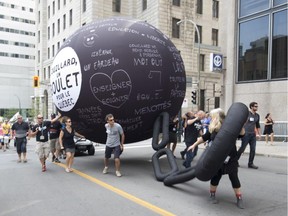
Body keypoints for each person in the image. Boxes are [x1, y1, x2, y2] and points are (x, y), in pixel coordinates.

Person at [188, 108, 245, 209]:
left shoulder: (230, 127)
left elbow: (242, 134)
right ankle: (212, 195)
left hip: (230, 157)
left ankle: (239, 198)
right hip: (217, 158)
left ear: (217, 117)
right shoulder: (213, 129)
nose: (210, 118)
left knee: (234, 177)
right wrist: (194, 145)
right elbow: (204, 137)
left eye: (212, 116)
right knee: (216, 176)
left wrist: (241, 123)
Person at [237, 102, 261, 169]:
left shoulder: (257, 115)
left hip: (253, 134)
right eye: (255, 106)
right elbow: (241, 122)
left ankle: (250, 163)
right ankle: (234, 161)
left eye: (257, 106)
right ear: (251, 107)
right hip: (246, 134)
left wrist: (259, 134)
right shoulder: (247, 114)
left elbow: (257, 125)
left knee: (253, 149)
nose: (256, 108)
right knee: (242, 148)